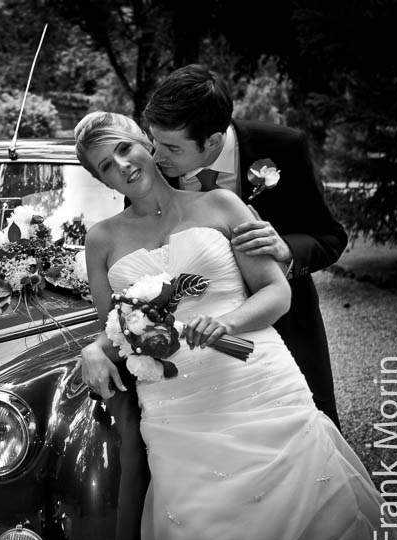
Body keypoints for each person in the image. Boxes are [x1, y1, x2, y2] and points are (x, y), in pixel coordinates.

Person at [75, 110, 397, 540]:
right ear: (100, 179)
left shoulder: (223, 205)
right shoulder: (101, 241)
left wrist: (226, 324)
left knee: (311, 517)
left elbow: (275, 293)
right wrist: (95, 348)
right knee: (203, 538)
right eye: (105, 166)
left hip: (255, 380)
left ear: (147, 143)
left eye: (124, 149)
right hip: (176, 409)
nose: (122, 166)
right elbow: (114, 324)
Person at [140, 63, 347, 429]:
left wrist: (286, 250)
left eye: (171, 147)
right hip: (197, 343)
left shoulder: (283, 147)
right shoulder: (152, 170)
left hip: (285, 323)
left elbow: (330, 236)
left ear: (214, 142)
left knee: (308, 431)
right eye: (154, 141)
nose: (156, 157)